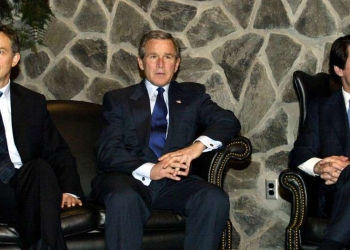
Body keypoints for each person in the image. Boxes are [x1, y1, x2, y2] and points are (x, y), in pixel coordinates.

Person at [91, 30, 241, 250]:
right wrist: (152, 170)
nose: (160, 64)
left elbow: (228, 121)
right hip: (130, 179)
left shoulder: (193, 96)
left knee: (213, 198)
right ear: (141, 63)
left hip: (174, 182)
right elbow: (108, 152)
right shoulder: (118, 99)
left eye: (168, 57)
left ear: (177, 63)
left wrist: (195, 148)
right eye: (153, 56)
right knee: (124, 199)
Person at [0, 24, 84, 249]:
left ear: (15, 59)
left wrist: (70, 188)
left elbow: (57, 150)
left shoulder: (31, 103)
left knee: (39, 170)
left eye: (0, 52)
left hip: (23, 188)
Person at [289, 34, 350, 250]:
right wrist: (319, 166)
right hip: (336, 196)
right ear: (339, 69)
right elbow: (299, 153)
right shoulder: (322, 108)